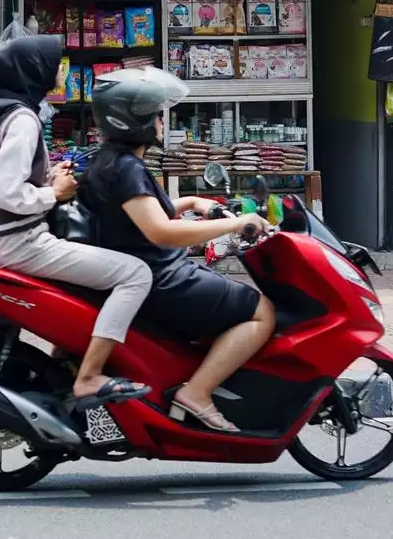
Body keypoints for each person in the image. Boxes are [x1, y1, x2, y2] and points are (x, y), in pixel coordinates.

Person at [82, 67, 275, 433]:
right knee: (262, 312)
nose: (160, 121)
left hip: (148, 272)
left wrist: (190, 201)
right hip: (162, 278)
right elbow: (160, 231)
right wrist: (237, 224)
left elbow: (137, 213)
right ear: (133, 120)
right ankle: (197, 393)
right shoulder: (128, 168)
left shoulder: (109, 160)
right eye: (155, 114)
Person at [0, 34, 154, 409]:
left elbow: (11, 182)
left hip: (0, 239)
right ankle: (89, 377)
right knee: (135, 274)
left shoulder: (9, 112)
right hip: (20, 242)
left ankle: (65, 363)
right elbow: (8, 195)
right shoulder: (23, 120)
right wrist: (53, 194)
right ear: (34, 70)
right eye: (55, 64)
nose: (61, 71)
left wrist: (49, 176)